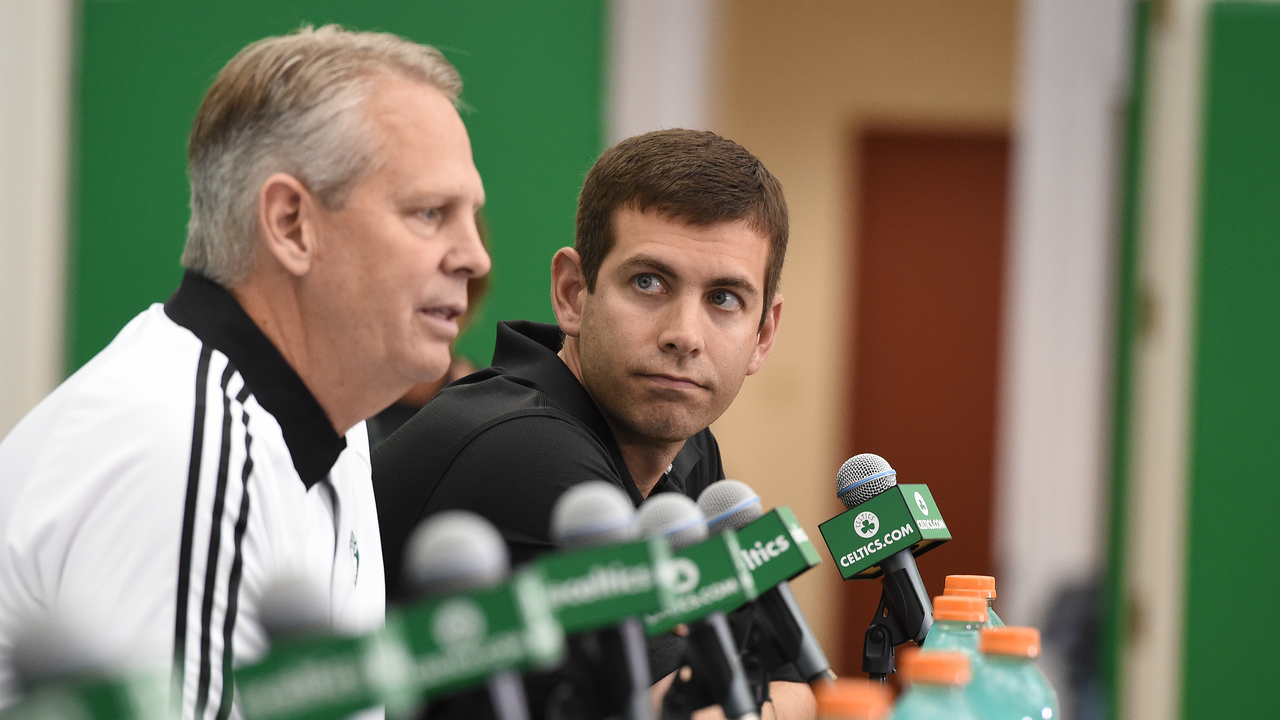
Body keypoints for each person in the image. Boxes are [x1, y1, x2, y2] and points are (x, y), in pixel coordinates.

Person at [0, 25, 490, 718]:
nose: (474, 257)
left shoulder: (331, 416)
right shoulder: (180, 446)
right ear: (291, 224)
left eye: (470, 216)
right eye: (430, 213)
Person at [373, 129, 814, 720]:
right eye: (649, 282)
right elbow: (702, 709)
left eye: (725, 298)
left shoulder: (687, 449)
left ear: (763, 334)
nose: (684, 334)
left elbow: (781, 678)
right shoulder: (527, 452)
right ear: (573, 293)